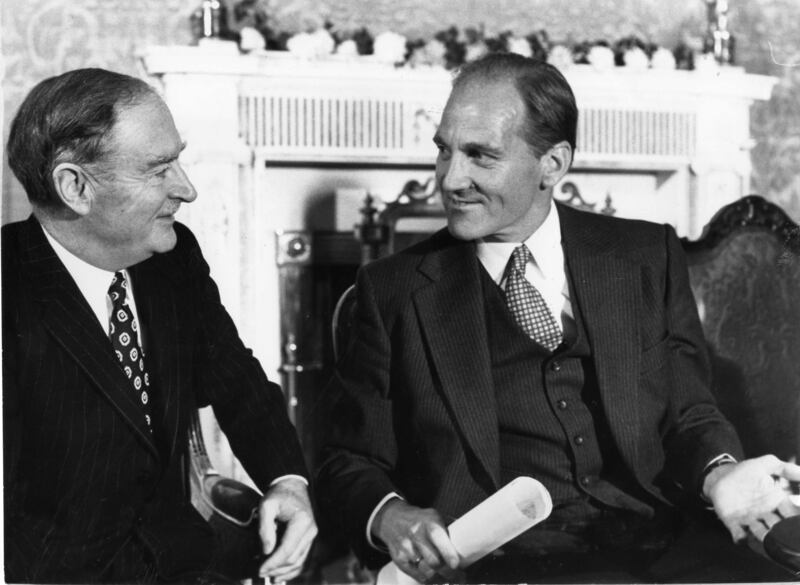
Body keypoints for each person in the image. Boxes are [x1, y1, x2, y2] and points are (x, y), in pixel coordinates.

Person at [315, 53, 800, 583]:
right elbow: (346, 459)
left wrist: (721, 474)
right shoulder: (393, 290)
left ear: (553, 163)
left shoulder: (645, 255)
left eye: (481, 156)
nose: (451, 179)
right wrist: (390, 515)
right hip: (494, 561)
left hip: (655, 541)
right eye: (444, 151)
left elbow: (689, 413)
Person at [2, 68, 317, 584]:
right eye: (159, 169)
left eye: (179, 159)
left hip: (186, 566)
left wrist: (289, 481)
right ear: (74, 186)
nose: (187, 189)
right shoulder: (6, 287)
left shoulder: (173, 258)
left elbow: (236, 377)